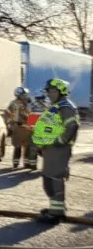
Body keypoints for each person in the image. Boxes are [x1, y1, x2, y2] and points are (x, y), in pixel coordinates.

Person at [32, 78, 81, 224]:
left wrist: (59, 142)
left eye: (53, 91)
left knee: (54, 179)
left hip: (58, 149)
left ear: (61, 92)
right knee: (48, 179)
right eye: (49, 91)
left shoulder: (66, 107)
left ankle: (56, 214)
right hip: (51, 149)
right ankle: (55, 209)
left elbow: (71, 126)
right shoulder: (56, 106)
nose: (50, 94)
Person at [8, 87, 33, 169]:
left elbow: (32, 115)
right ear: (18, 95)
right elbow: (11, 115)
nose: (25, 96)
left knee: (28, 147)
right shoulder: (14, 104)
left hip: (28, 128)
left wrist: (32, 124)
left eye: (26, 95)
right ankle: (15, 164)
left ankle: (27, 164)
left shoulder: (29, 103)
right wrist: (10, 126)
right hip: (18, 127)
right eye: (23, 95)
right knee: (17, 147)